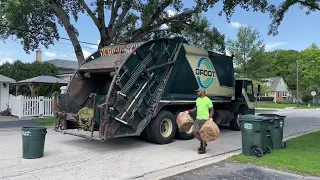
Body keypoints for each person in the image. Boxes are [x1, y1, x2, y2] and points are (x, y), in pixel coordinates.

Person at [186, 88, 214, 154]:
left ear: (203, 92)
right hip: (198, 119)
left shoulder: (208, 100)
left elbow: (212, 110)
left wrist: (210, 117)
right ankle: (203, 142)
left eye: (199, 91)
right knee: (194, 131)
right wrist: (189, 111)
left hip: (205, 119)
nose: (197, 93)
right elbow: (196, 108)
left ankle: (203, 147)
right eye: (197, 91)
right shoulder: (197, 100)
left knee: (203, 134)